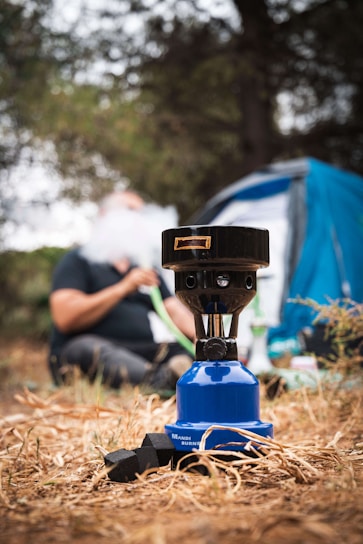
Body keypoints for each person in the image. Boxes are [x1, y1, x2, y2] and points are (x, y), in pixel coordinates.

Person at [48, 190, 196, 392]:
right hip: (90, 351)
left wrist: (201, 338)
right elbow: (65, 317)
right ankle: (160, 381)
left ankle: (185, 375)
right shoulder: (78, 261)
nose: (138, 218)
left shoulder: (143, 266)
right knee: (87, 348)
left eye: (140, 213)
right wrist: (124, 287)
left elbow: (173, 309)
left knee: (183, 349)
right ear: (104, 215)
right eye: (129, 210)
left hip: (139, 351)